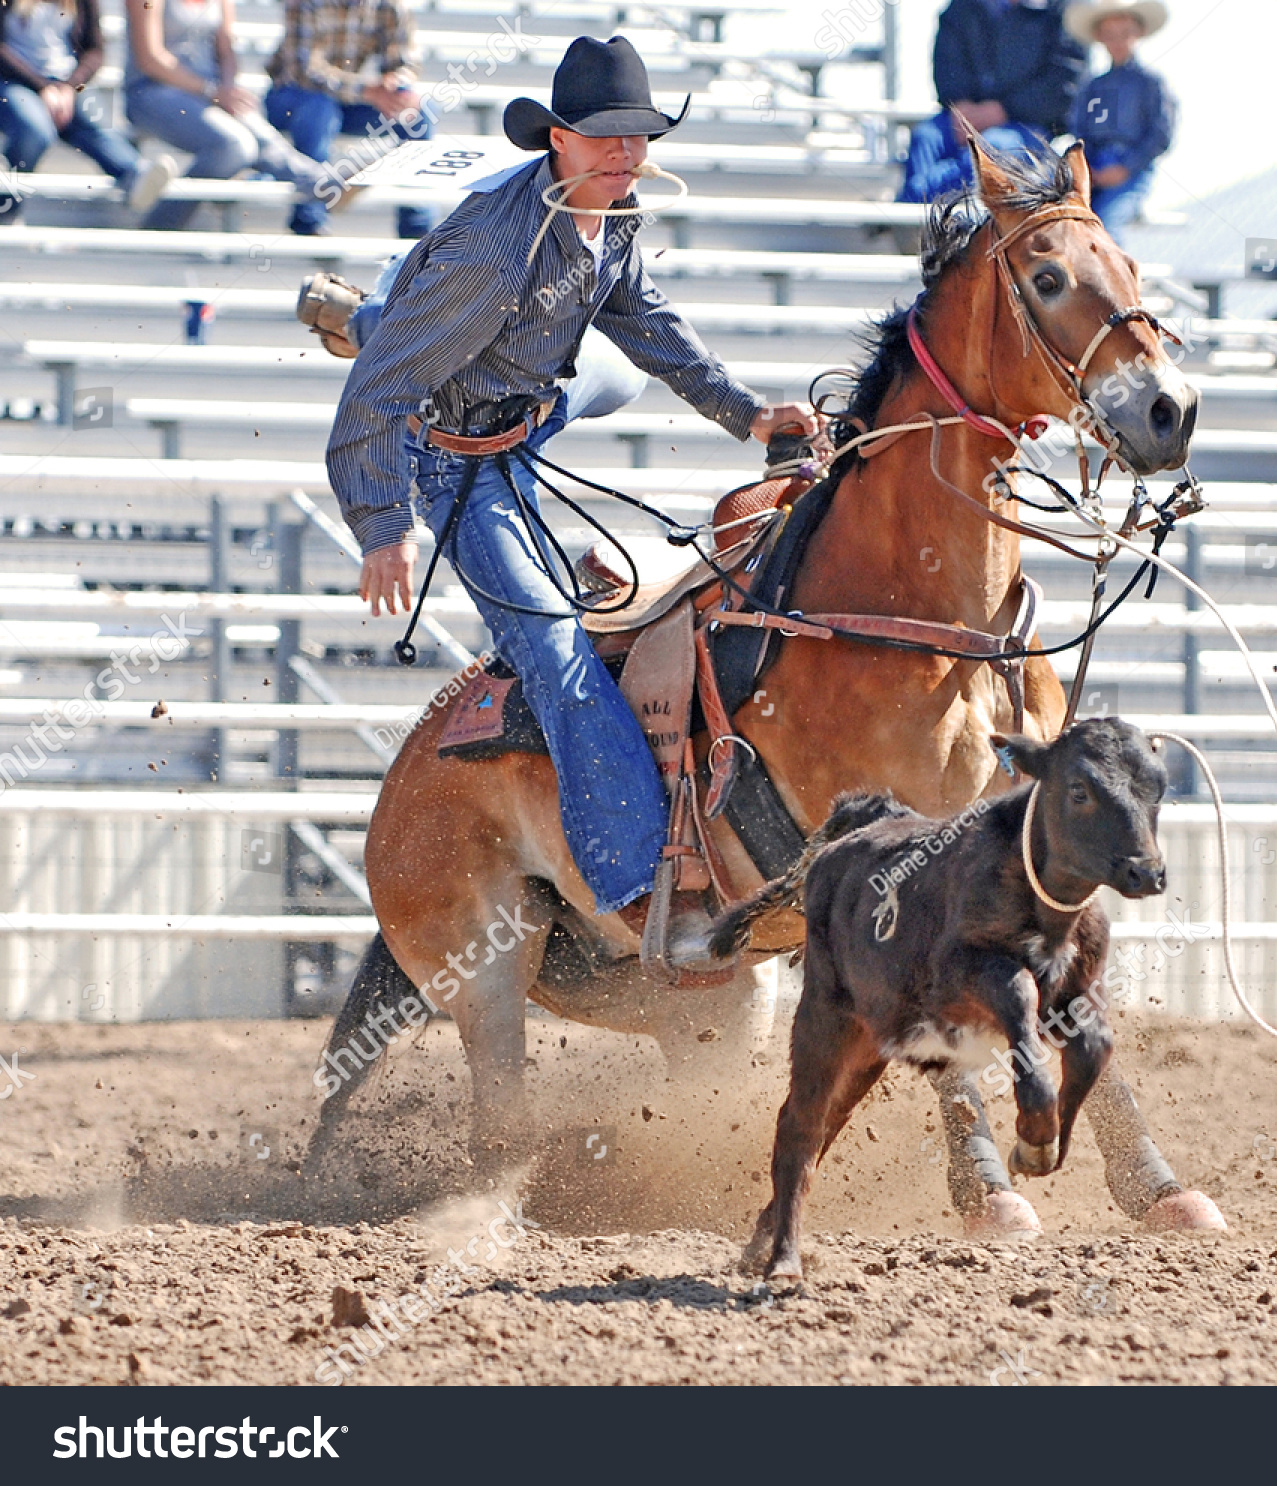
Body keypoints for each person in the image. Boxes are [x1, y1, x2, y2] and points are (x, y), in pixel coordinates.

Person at [321, 37, 821, 962]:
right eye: (605, 138)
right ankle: (638, 887)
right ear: (558, 139)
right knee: (556, 654)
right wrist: (384, 524)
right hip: (456, 457)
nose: (626, 154)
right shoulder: (491, 255)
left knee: (621, 373)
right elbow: (376, 399)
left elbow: (649, 324)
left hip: (532, 403)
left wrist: (747, 415)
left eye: (638, 137)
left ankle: (370, 316)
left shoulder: (612, 214)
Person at [125, 0, 328, 232]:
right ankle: (157, 226)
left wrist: (227, 90)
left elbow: (226, 50)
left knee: (263, 137)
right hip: (153, 93)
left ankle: (322, 181)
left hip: (209, 93)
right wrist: (212, 91)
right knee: (235, 145)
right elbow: (150, 59)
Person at [264, 0, 434, 238]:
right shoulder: (306, 4)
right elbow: (304, 72)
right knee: (319, 108)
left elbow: (405, 60)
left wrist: (396, 84)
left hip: (345, 99)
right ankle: (309, 217)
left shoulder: (388, 5)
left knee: (417, 112)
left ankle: (417, 227)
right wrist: (367, 90)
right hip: (291, 97)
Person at [0, 0, 175, 225]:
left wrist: (68, 87)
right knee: (35, 130)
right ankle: (7, 206)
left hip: (65, 86)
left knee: (97, 123)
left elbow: (94, 51)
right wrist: (42, 87)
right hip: (14, 82)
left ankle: (134, 172)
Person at [897, 0, 1086, 204]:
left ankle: (913, 200)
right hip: (963, 118)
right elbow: (946, 64)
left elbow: (1063, 84)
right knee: (925, 137)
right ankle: (915, 223)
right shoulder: (963, 7)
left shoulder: (1063, 9)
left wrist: (1004, 110)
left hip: (1028, 126)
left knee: (991, 150)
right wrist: (961, 107)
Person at [1065, 2, 1173, 236]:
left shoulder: (1149, 83)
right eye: (1110, 35)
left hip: (1132, 172)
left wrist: (1126, 167)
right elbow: (1080, 131)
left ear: (1138, 33)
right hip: (1094, 170)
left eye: (1125, 33)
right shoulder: (1093, 86)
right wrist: (1090, 169)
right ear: (1099, 37)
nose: (1118, 41)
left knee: (1108, 225)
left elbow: (1160, 134)